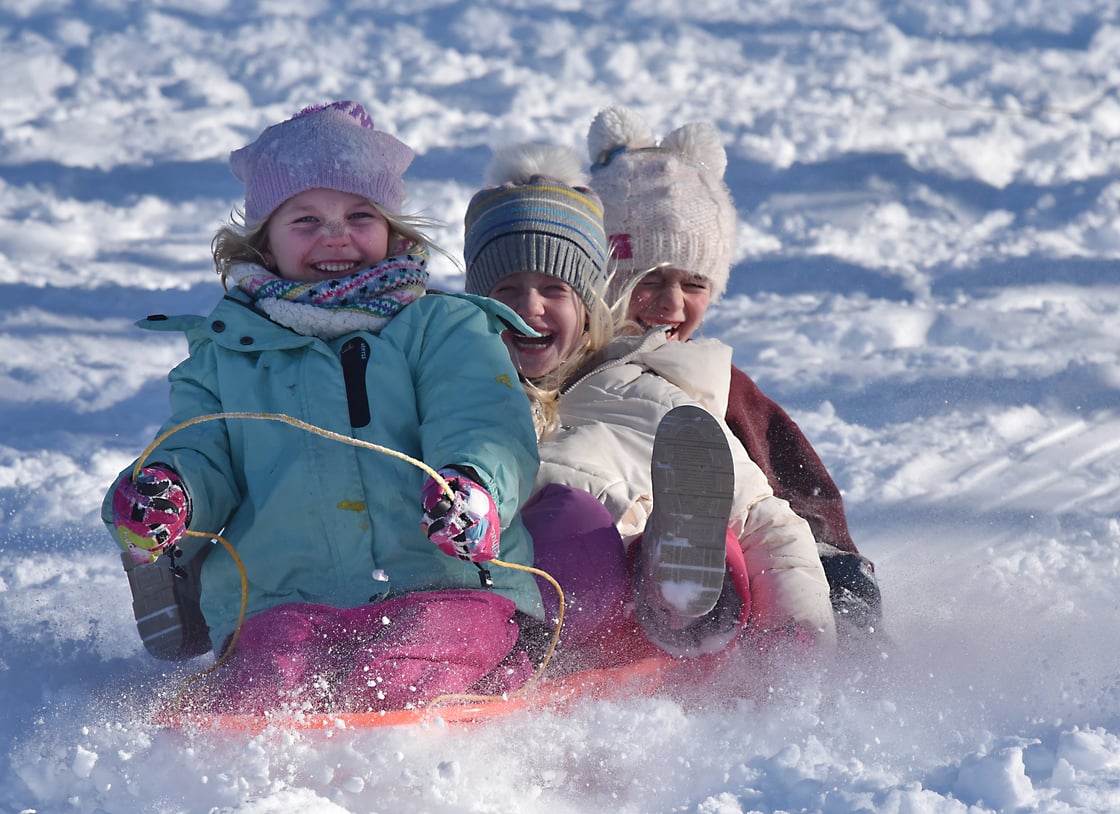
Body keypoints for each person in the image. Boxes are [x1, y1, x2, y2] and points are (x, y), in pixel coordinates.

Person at [101, 101, 545, 714]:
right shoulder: (226, 358)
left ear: (393, 227)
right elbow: (198, 447)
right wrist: (171, 490)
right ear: (264, 241)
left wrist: (474, 487)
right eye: (306, 219)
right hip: (286, 599)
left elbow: (482, 419)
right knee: (267, 686)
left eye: (360, 215)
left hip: (448, 587)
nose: (336, 235)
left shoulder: (443, 328)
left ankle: (476, 684)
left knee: (398, 668)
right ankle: (235, 737)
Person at [462, 143, 837, 671]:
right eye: (507, 290)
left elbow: (764, 518)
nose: (530, 306)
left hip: (649, 625)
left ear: (589, 305)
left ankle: (678, 588)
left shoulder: (651, 392)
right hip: (523, 604)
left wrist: (799, 644)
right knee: (569, 520)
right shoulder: (451, 399)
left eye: (554, 288)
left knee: (710, 535)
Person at [586, 104, 883, 643]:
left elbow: (800, 494)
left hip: (718, 591)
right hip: (593, 567)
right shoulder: (567, 371)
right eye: (647, 280)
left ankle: (695, 589)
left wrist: (838, 575)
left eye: (694, 284)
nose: (672, 303)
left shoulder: (721, 386)